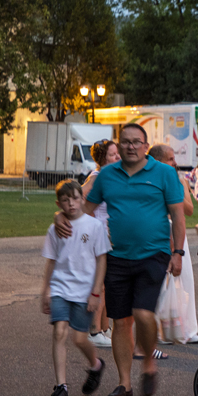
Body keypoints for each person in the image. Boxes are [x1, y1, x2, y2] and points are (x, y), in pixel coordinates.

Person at [83, 122, 187, 396]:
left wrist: (178, 253)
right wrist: (64, 222)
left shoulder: (164, 173)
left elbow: (178, 215)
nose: (130, 146)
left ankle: (149, 364)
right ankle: (125, 384)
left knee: (142, 313)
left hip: (153, 254)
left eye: (136, 141)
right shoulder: (106, 176)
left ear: (145, 145)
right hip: (116, 257)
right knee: (121, 322)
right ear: (120, 144)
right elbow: (86, 209)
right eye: (125, 141)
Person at [41, 180, 109, 396]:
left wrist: (96, 292)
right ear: (58, 203)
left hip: (85, 290)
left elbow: (101, 260)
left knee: (79, 339)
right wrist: (46, 290)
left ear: (82, 198)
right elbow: (51, 262)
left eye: (75, 198)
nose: (71, 204)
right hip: (60, 287)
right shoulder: (55, 229)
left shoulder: (94, 226)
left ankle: (96, 366)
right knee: (59, 332)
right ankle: (61, 386)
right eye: (65, 200)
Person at [150, 144, 198, 345]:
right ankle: (162, 330)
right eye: (171, 159)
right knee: (160, 283)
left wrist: (177, 188)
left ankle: (188, 328)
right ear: (159, 161)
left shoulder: (180, 180)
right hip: (159, 233)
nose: (175, 162)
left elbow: (188, 210)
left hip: (179, 236)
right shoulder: (151, 181)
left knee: (185, 279)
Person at [82, 139, 119, 348]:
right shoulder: (97, 177)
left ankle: (104, 329)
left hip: (106, 236)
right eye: (114, 155)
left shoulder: (108, 176)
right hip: (99, 237)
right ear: (104, 157)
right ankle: (94, 330)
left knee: (106, 285)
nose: (118, 157)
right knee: (100, 286)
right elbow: (79, 192)